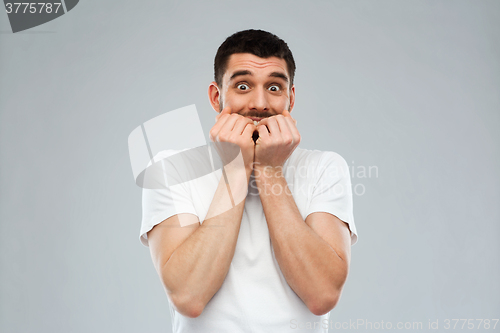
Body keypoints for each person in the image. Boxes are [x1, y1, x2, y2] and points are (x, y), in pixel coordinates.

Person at [139, 29, 358, 332]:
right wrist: (237, 168)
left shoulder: (325, 167)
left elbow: (322, 295)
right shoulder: (170, 169)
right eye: (243, 86)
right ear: (217, 97)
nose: (259, 102)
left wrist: (268, 170)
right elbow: (189, 296)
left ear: (290, 99)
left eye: (274, 87)